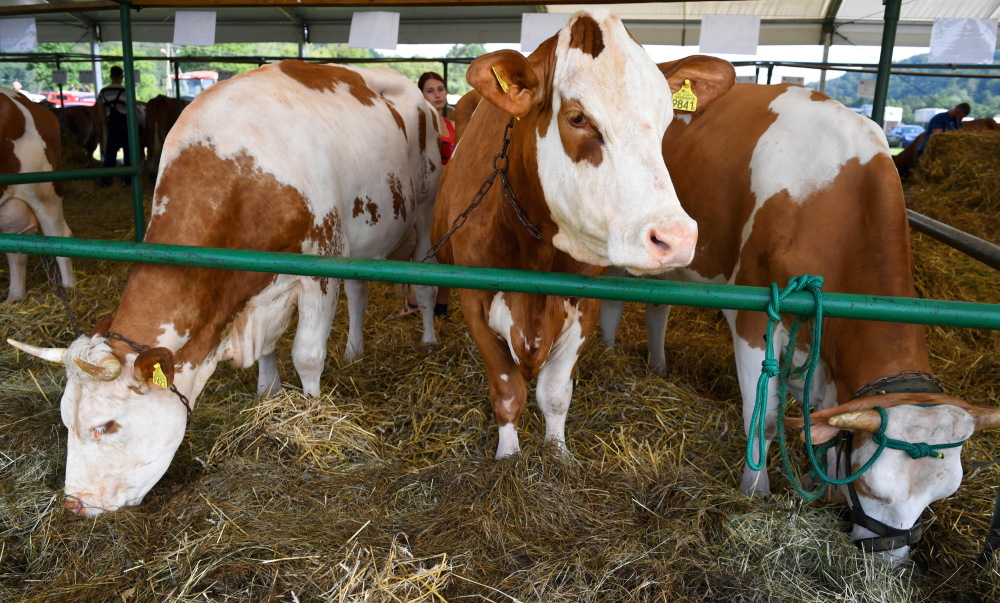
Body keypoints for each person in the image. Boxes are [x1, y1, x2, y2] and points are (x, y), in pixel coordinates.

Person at [417, 71, 455, 318]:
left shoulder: (453, 124)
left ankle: (442, 305)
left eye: (440, 89)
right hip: (427, 193)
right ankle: (416, 301)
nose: (437, 94)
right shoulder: (419, 124)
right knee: (425, 247)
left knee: (447, 248)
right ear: (421, 95)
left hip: (449, 194)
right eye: (430, 90)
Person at [97, 66, 131, 187]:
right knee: (128, 153)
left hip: (112, 125)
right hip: (125, 126)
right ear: (122, 77)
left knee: (110, 153)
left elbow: (100, 112)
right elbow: (131, 112)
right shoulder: (127, 92)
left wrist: (105, 127)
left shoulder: (103, 92)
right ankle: (126, 180)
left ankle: (106, 180)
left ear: (111, 76)